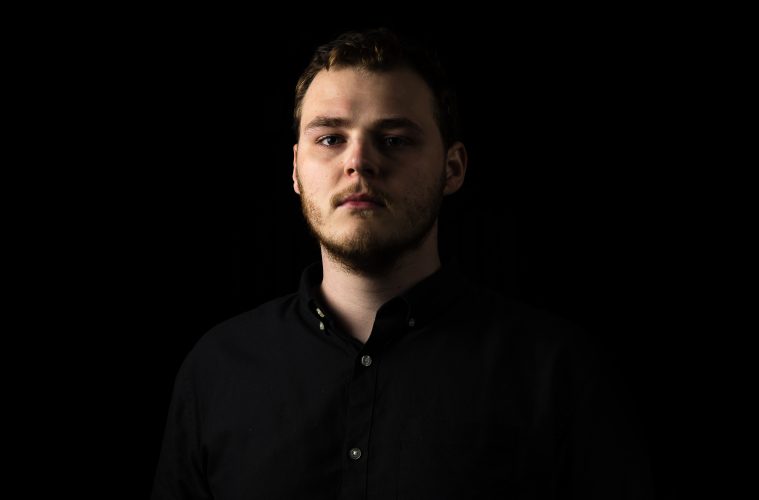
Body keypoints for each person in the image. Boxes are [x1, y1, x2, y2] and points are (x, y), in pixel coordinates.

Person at [152, 28, 654, 499]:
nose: (359, 162)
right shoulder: (216, 369)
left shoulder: (559, 373)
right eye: (330, 139)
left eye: (394, 139)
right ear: (296, 170)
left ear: (452, 168)